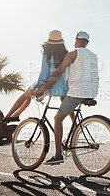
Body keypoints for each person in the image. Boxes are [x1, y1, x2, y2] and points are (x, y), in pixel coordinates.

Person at [36, 31, 99, 165]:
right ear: (87, 43)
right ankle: (74, 134)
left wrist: (44, 88)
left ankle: (58, 155)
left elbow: (58, 72)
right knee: (69, 111)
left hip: (77, 93)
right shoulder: (94, 56)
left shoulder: (73, 54)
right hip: (92, 92)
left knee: (57, 119)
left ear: (76, 40)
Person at [1, 30, 75, 123]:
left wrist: (42, 86)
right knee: (65, 102)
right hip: (62, 86)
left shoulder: (47, 54)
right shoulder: (66, 54)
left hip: (48, 84)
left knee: (26, 94)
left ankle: (8, 116)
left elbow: (44, 72)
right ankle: (74, 124)